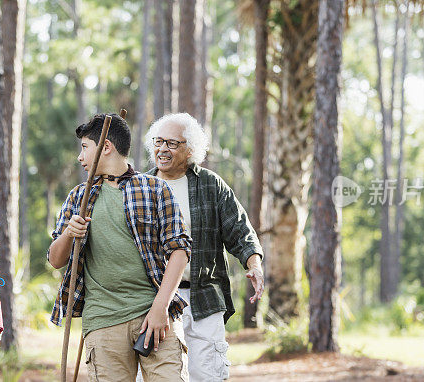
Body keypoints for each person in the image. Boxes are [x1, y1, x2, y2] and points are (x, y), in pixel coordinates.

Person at [48, 113, 192, 382]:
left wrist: (161, 307)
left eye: (84, 147)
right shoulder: (79, 197)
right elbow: (56, 260)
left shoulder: (155, 189)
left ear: (106, 147)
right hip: (103, 321)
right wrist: (69, 233)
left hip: (156, 316)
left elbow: (179, 250)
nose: (80, 157)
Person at [144, 113, 265, 381]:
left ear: (190, 150)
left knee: (207, 373)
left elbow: (240, 229)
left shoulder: (210, 185)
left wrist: (254, 264)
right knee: (159, 375)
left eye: (172, 143)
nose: (162, 149)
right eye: (158, 141)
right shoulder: (141, 186)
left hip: (203, 296)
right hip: (152, 298)